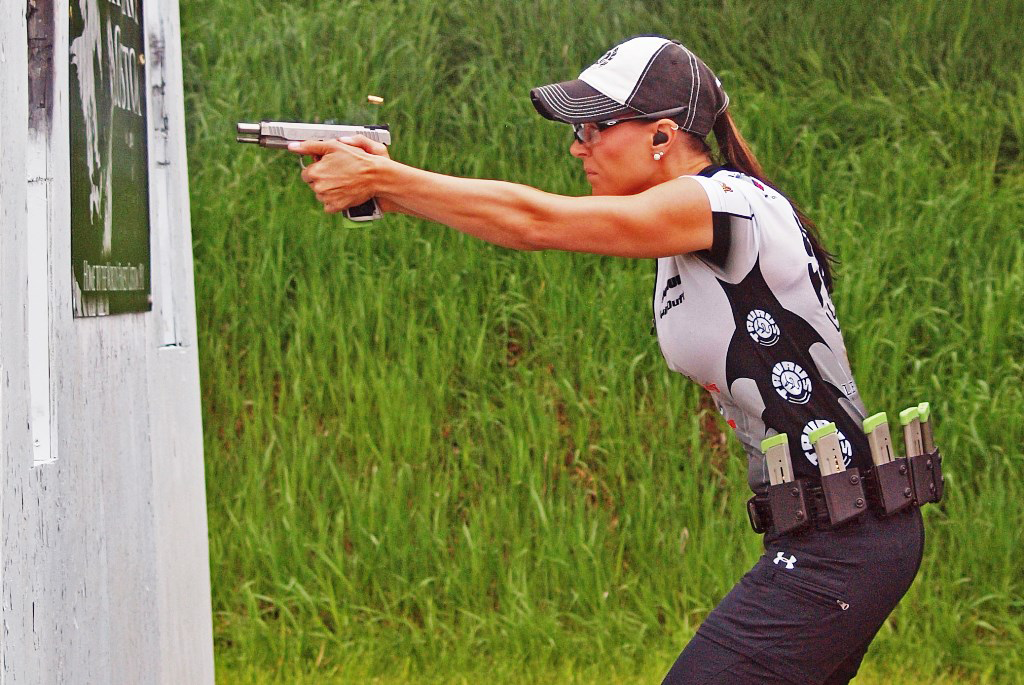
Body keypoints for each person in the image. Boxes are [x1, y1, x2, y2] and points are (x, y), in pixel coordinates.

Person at [290, 35, 926, 685]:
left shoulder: (726, 203)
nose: (577, 144)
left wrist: (388, 179)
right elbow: (521, 218)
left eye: (594, 125)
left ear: (661, 136)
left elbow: (534, 223)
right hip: (832, 536)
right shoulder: (688, 230)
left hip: (844, 542)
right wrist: (387, 187)